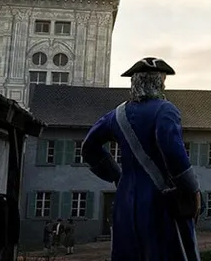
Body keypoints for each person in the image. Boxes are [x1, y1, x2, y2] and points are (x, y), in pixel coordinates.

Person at [82, 57, 201, 261]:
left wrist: (117, 175)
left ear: (134, 82)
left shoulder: (117, 115)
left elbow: (89, 147)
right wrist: (192, 189)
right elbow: (173, 152)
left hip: (125, 202)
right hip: (161, 201)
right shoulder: (165, 110)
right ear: (160, 82)